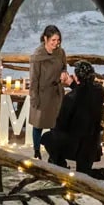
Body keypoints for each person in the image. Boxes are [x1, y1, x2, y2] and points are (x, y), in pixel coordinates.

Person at [43, 61, 104, 177]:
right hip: (92, 144)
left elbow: (61, 123)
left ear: (77, 77)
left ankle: (61, 167)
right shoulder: (99, 91)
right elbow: (85, 91)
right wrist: (72, 84)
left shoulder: (70, 98)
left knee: (48, 137)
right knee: (83, 174)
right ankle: (99, 174)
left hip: (75, 145)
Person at [28, 24, 69, 159]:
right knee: (38, 125)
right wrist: (34, 97)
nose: (56, 43)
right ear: (45, 39)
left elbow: (64, 66)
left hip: (56, 93)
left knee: (55, 125)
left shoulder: (60, 53)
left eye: (58, 41)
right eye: (53, 40)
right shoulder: (37, 56)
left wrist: (63, 73)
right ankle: (36, 151)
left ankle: (54, 153)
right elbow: (34, 79)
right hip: (42, 93)